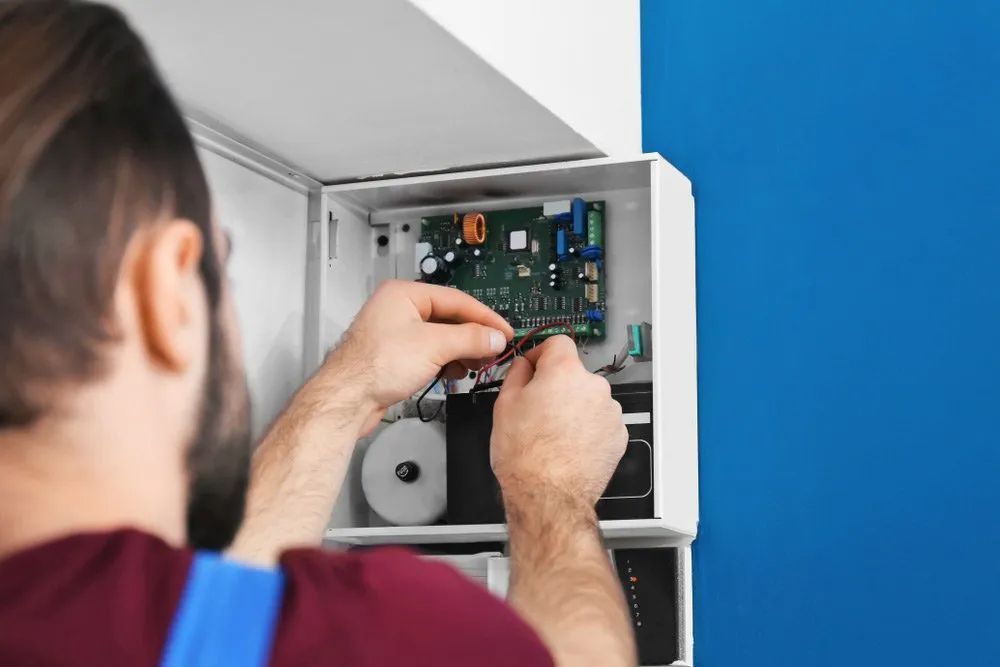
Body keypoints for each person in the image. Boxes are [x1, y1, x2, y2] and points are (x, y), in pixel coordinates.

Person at [0, 2, 634, 666]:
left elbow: (215, 622)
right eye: (222, 263)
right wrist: (551, 485)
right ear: (165, 292)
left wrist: (350, 388)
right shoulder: (383, 633)